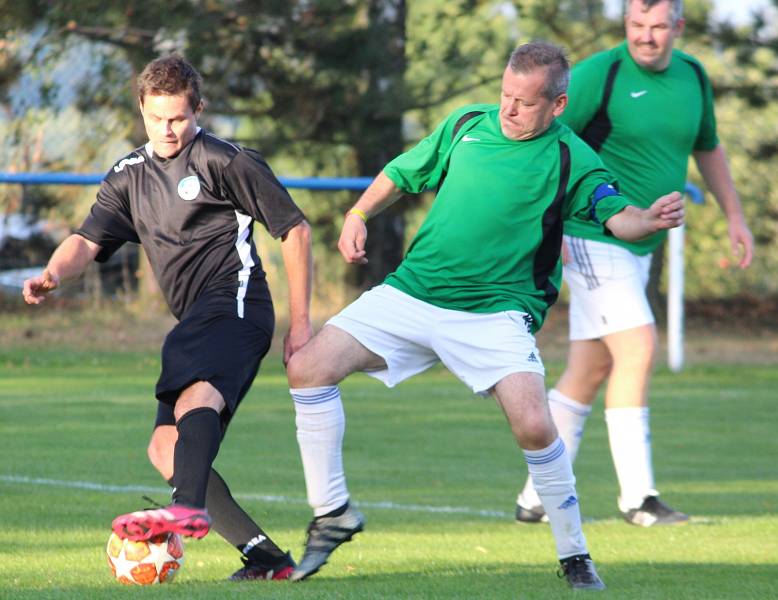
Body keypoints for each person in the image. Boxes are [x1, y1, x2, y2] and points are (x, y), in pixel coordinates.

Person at [284, 41, 686, 591]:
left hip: (496, 314)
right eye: (505, 95)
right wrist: (357, 214)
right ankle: (333, 514)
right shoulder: (465, 124)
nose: (509, 109)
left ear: (558, 106)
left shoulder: (573, 158)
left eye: (524, 102)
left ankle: (575, 555)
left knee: (535, 425)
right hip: (412, 293)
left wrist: (650, 219)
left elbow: (620, 220)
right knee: (308, 368)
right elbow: (402, 173)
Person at [22, 55, 313, 581]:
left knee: (195, 396)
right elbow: (88, 240)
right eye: (156, 118)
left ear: (197, 109)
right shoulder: (129, 174)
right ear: (141, 109)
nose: (167, 129)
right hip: (195, 318)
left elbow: (295, 230)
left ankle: (185, 510)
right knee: (164, 448)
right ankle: (267, 558)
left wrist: (302, 323)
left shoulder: (227, 161)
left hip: (237, 303)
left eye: (177, 117)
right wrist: (52, 274)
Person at [514, 0, 754, 528]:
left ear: (679, 28)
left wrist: (734, 216)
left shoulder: (693, 75)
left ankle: (536, 496)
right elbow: (540, 138)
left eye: (658, 26)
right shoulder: (601, 73)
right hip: (590, 233)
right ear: (626, 25)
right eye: (636, 25)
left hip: (640, 245)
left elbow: (708, 147)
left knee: (591, 368)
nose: (646, 36)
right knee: (639, 347)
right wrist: (542, 223)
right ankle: (638, 500)